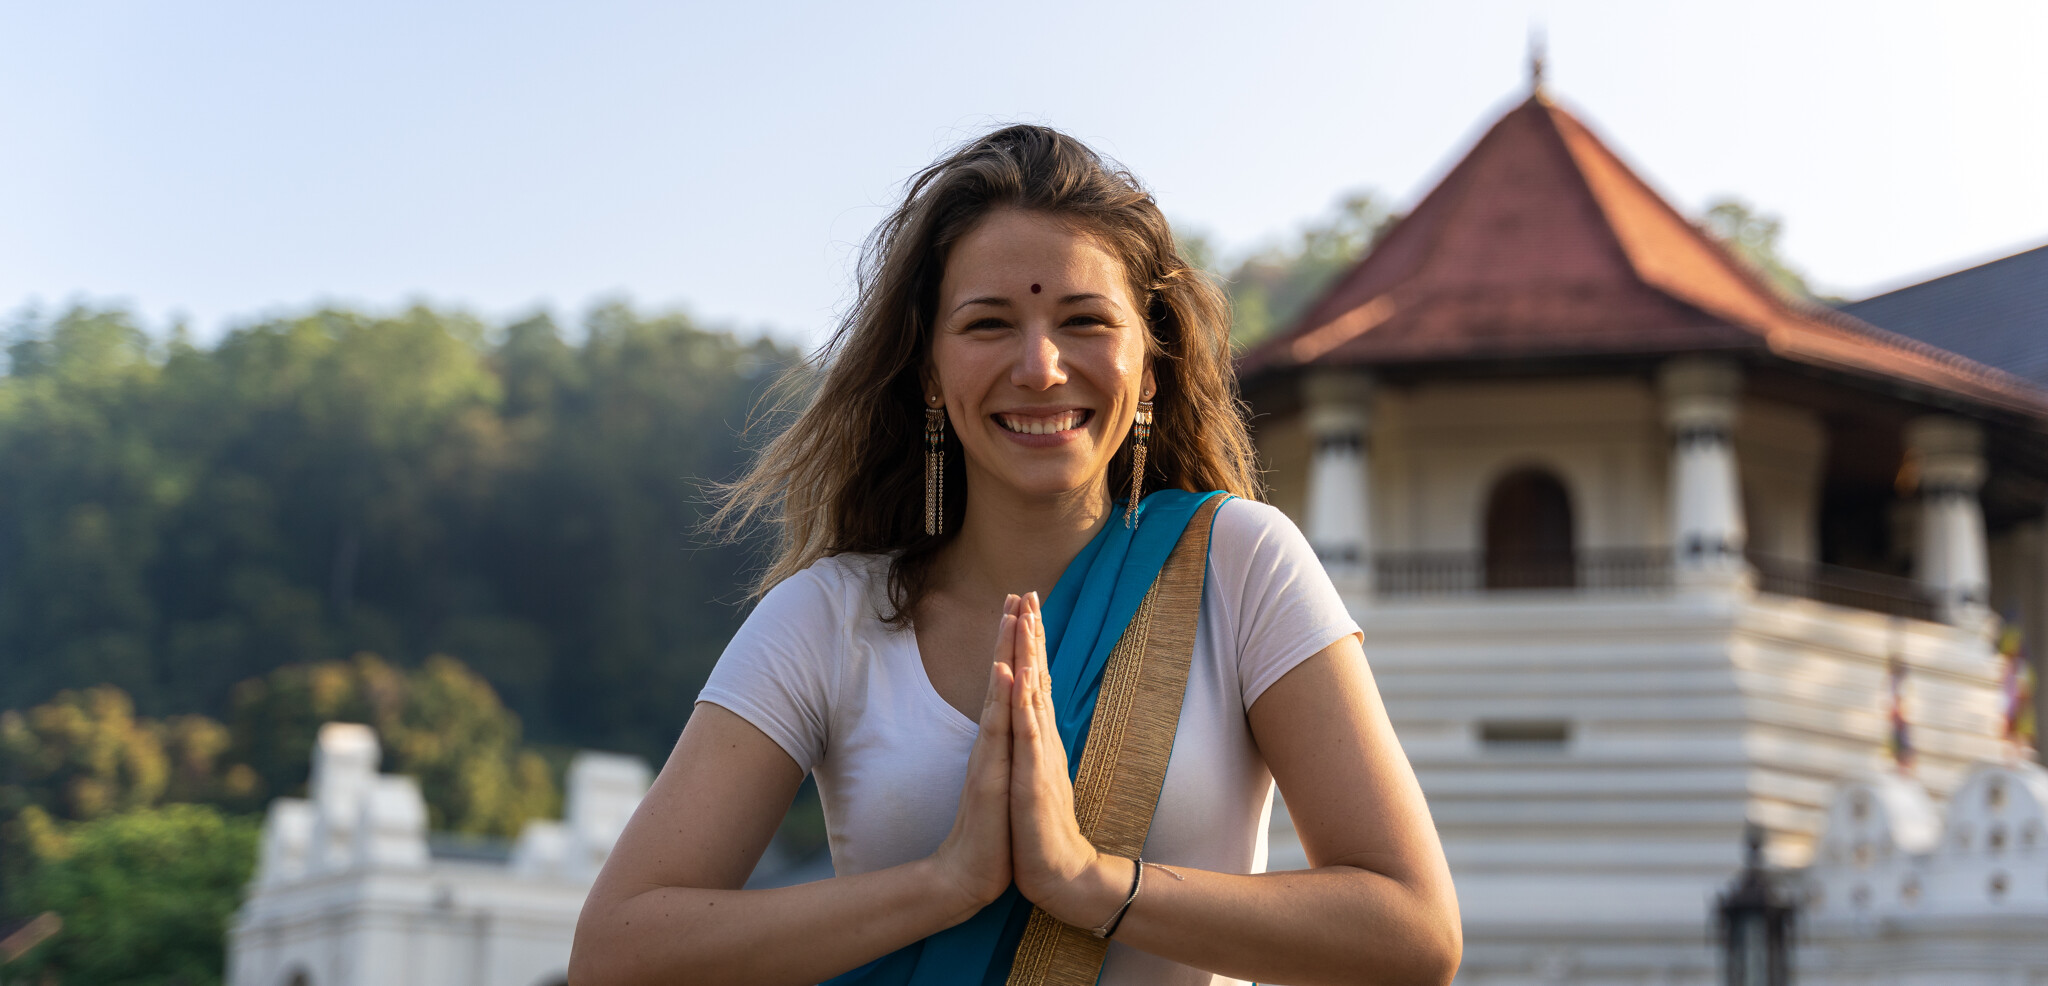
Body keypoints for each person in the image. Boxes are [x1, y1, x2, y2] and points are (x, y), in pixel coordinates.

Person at [569, 125, 1460, 986]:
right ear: (929, 370)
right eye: (988, 324)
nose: (1039, 366)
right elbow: (618, 950)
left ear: (1148, 366)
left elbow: (1413, 932)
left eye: (1084, 320)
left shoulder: (1239, 567)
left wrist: (1087, 882)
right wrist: (942, 885)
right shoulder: (829, 618)